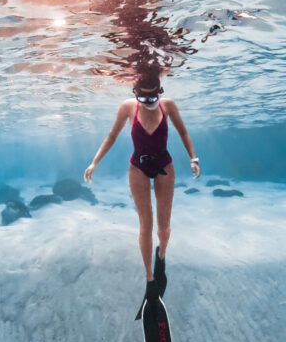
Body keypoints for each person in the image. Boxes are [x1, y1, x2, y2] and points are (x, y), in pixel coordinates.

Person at [84, 71, 200, 305]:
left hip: (164, 165)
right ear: (136, 94)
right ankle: (149, 280)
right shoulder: (128, 107)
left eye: (152, 99)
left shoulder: (168, 105)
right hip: (137, 167)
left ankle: (162, 257)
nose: (149, 103)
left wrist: (193, 158)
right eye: (144, 100)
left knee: (164, 227)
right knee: (145, 225)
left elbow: (183, 132)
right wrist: (94, 162)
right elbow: (111, 136)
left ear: (159, 92)